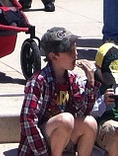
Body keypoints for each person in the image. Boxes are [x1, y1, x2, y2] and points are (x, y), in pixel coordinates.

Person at [17, 26, 98, 156]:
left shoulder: (73, 80)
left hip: (63, 136)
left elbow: (83, 111)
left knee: (89, 123)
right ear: (54, 57)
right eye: (69, 51)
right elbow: (28, 119)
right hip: (41, 143)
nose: (76, 54)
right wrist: (42, 152)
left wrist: (91, 83)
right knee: (65, 119)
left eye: (75, 49)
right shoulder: (39, 81)